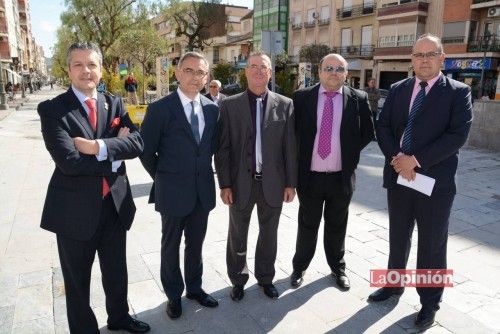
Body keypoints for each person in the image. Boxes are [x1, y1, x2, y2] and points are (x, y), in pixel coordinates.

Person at [37, 42, 150, 334]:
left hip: (114, 205)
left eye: (92, 65)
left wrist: (97, 146)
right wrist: (113, 155)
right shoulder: (52, 110)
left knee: (116, 272)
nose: (86, 71)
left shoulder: (114, 104)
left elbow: (137, 143)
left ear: (101, 69)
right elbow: (70, 163)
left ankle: (119, 318)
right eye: (78, 64)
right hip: (74, 213)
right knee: (77, 283)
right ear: (68, 69)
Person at [369, 33, 473, 330]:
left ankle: (430, 302)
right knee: (397, 236)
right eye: (418, 55)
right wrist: (398, 159)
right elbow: (384, 125)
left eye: (430, 54)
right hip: (400, 177)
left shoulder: (457, 92)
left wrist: (415, 161)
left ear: (442, 58)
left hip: (434, 184)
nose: (423, 60)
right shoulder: (399, 89)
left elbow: (457, 136)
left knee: (432, 244)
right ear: (411, 59)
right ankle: (393, 286)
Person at [140, 52, 220, 319]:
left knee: (195, 245)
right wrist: (164, 177)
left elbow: (211, 149)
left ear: (207, 77)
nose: (194, 77)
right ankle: (173, 295)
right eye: (188, 70)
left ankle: (194, 288)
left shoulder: (212, 109)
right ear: (177, 73)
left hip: (202, 192)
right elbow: (146, 151)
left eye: (200, 72)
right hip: (172, 192)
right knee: (170, 245)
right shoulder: (160, 109)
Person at [215, 51, 297, 301]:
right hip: (240, 184)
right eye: (253, 66)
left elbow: (290, 148)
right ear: (245, 71)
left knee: (269, 234)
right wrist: (225, 183)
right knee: (237, 234)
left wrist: (291, 183)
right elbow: (223, 148)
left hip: (273, 183)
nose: (258, 71)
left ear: (270, 72)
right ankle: (238, 280)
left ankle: (265, 278)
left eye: (264, 67)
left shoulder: (285, 104)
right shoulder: (229, 105)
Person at [290, 53, 374, 291]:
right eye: (329, 68)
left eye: (339, 69)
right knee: (307, 225)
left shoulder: (359, 98)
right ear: (320, 71)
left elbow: (368, 131)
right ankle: (299, 267)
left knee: (337, 225)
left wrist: (348, 152)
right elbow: (292, 134)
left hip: (341, 177)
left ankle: (338, 268)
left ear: (346, 74)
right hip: (310, 177)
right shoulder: (302, 98)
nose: (334, 73)